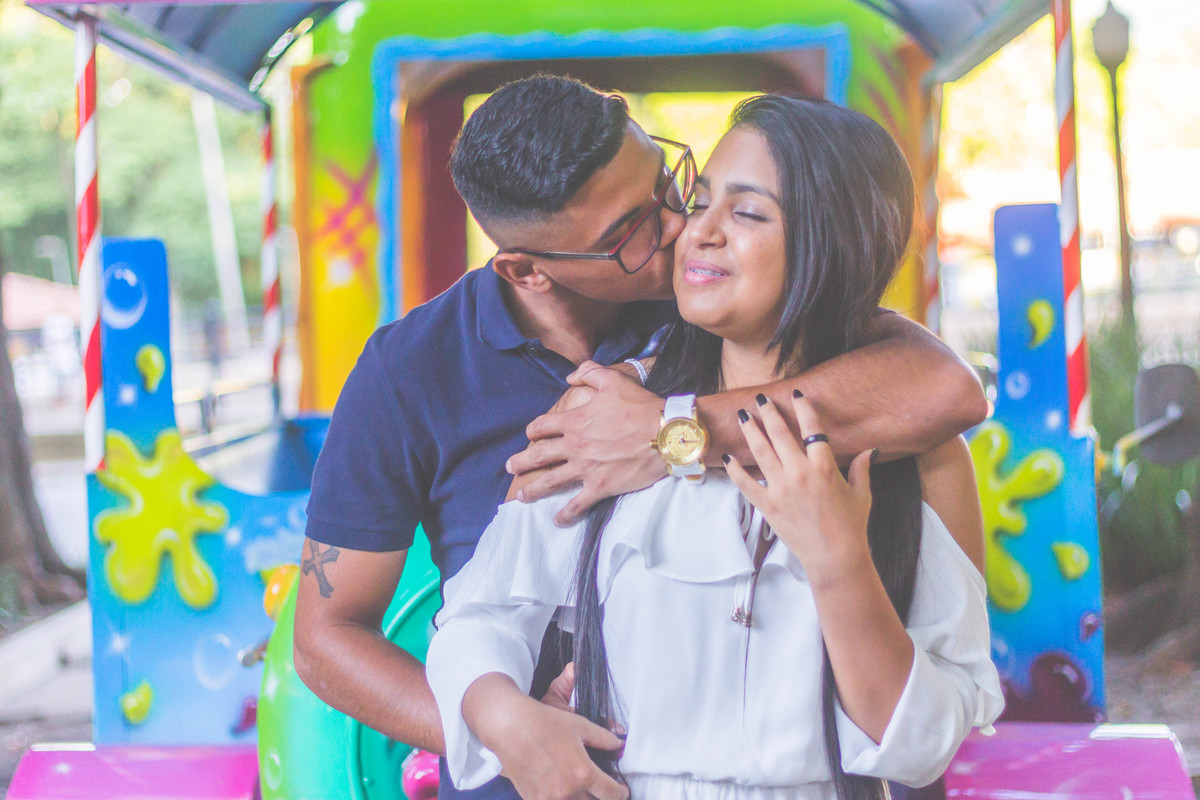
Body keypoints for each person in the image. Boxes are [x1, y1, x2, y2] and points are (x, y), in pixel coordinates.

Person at [294, 77, 988, 800]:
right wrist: (507, 724)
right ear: (528, 269)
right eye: (627, 233)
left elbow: (941, 389)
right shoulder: (426, 375)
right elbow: (363, 629)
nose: (681, 228)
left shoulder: (709, 303)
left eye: (672, 187)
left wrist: (672, 431)